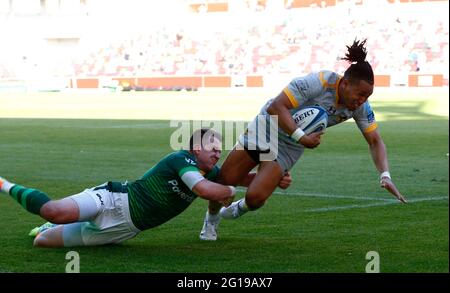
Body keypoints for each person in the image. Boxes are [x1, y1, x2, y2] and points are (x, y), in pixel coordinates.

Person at [199, 38, 407, 241]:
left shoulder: (360, 108)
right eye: (360, 94)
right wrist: (302, 137)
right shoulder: (319, 82)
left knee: (256, 199)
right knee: (224, 183)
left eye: (367, 97)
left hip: (289, 146)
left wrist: (385, 175)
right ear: (344, 83)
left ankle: (239, 205)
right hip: (268, 127)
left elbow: (375, 141)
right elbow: (275, 107)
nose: (362, 101)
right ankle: (212, 219)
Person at [0, 128, 247, 247]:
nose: (218, 152)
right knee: (53, 211)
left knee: (41, 242)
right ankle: (4, 184)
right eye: (213, 148)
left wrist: (272, 177)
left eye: (219, 149)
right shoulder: (180, 159)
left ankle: (56, 226)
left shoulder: (211, 172)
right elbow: (204, 190)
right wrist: (229, 192)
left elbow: (239, 176)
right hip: (113, 199)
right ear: (196, 149)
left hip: (123, 230)